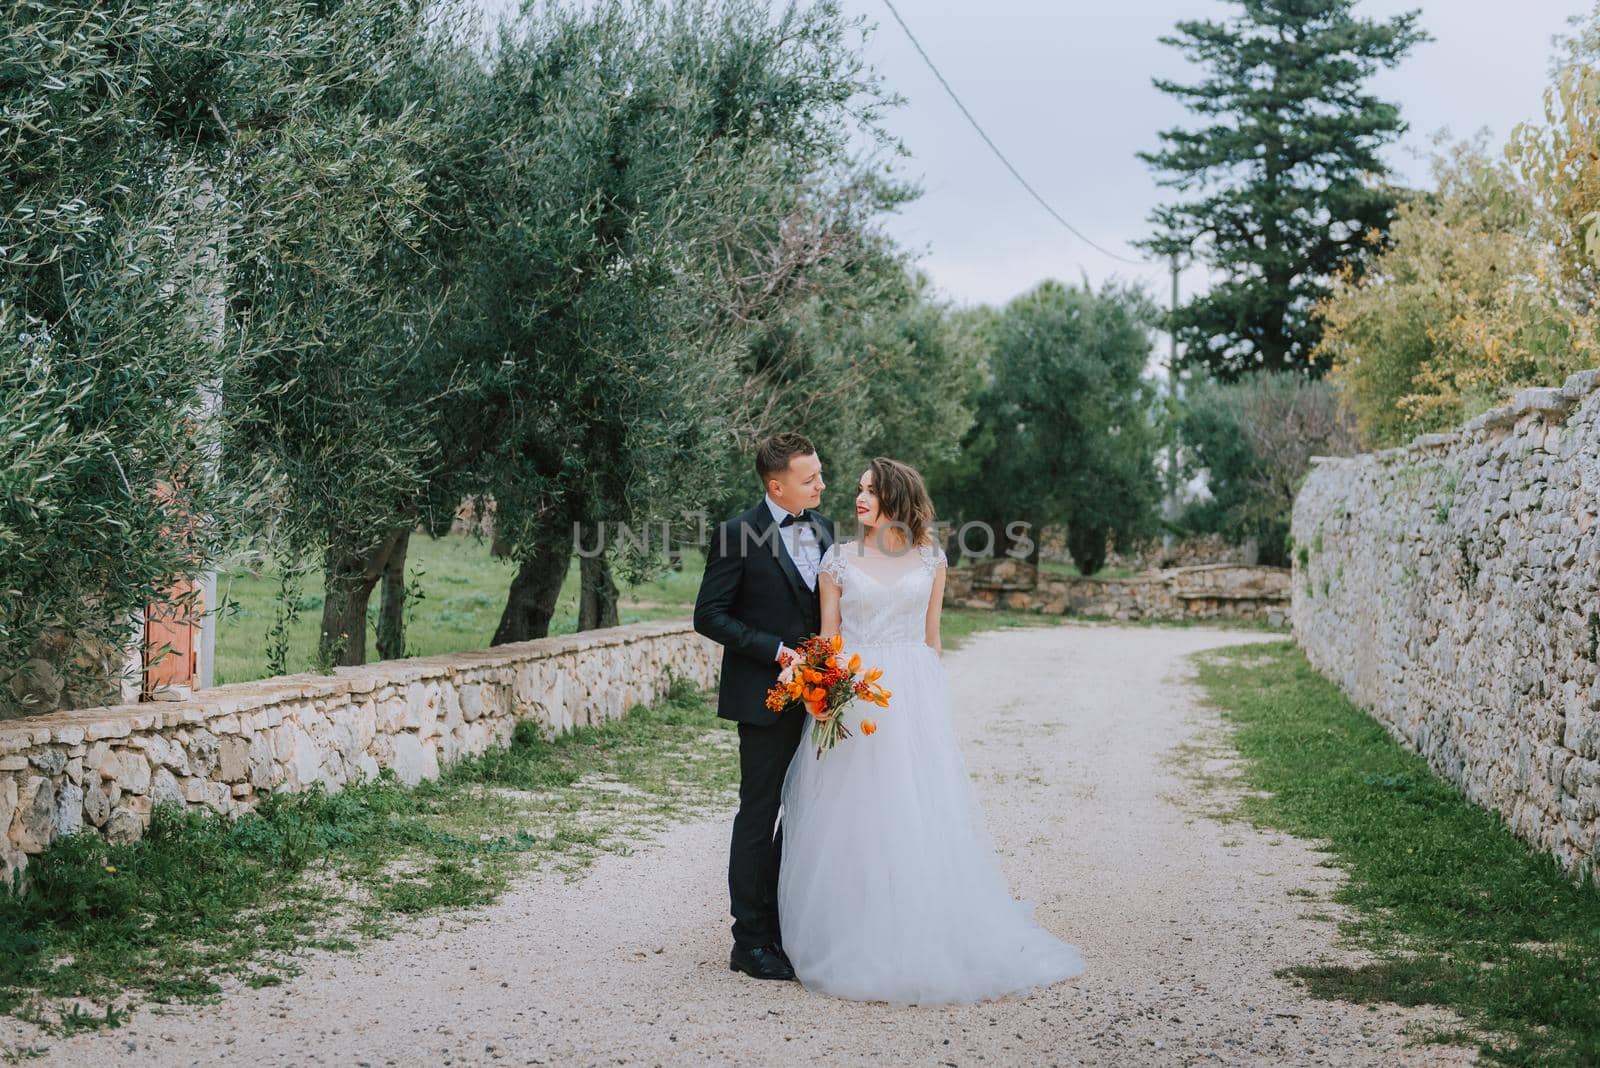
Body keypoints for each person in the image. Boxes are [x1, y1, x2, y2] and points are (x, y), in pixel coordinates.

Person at [776, 457, 1086, 1004]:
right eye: (858, 490)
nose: (859, 498)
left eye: (871, 491)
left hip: (912, 693)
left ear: (897, 497)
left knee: (915, 811)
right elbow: (828, 638)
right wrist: (824, 694)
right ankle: (852, 929)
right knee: (853, 816)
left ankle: (921, 924)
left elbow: (932, 638)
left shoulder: (932, 559)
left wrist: (932, 708)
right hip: (856, 696)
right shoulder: (838, 560)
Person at [692, 432, 833, 981]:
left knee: (808, 811)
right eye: (810, 477)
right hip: (765, 697)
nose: (822, 484)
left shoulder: (823, 529)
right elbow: (709, 615)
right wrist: (777, 652)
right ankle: (748, 940)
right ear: (777, 485)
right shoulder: (736, 534)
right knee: (760, 811)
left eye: (820, 473)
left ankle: (789, 925)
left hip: (822, 700)